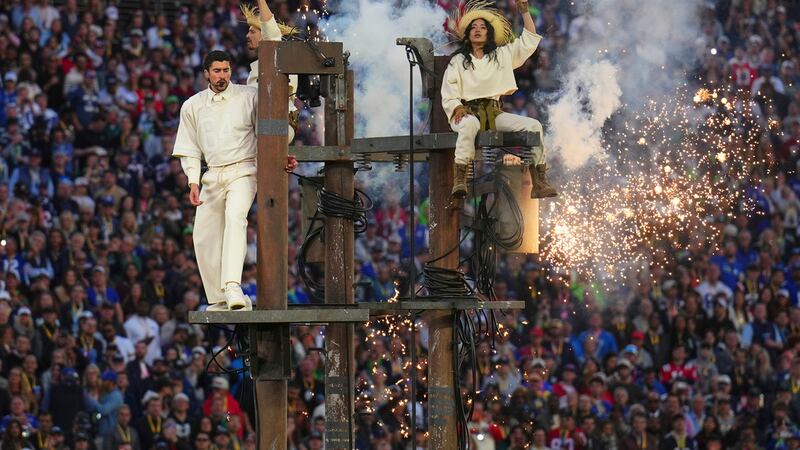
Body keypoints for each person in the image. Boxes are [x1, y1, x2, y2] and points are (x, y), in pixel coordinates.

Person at [173, 50, 297, 311]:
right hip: (212, 174)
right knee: (203, 236)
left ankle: (232, 285)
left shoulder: (248, 95)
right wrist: (193, 181)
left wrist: (280, 155)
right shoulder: (192, 105)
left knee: (235, 218)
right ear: (206, 73)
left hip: (244, 170)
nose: (222, 76)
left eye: (226, 70)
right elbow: (190, 148)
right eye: (217, 71)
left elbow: (270, 129)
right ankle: (218, 296)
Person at [442, 0, 556, 198]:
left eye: (482, 27)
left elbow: (527, 41)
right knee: (468, 126)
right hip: (467, 112)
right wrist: (456, 107)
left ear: (488, 34)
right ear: (468, 33)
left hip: (494, 113)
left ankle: (539, 182)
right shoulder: (458, 60)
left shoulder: (501, 55)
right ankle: (460, 181)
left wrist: (524, 12)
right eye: (473, 27)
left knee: (535, 125)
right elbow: (449, 90)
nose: (478, 30)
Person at [241, 0, 299, 142]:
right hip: (263, 126)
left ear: (264, 34)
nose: (247, 36)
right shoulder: (260, 66)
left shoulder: (278, 56)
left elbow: (272, 33)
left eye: (252, 31)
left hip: (277, 123)